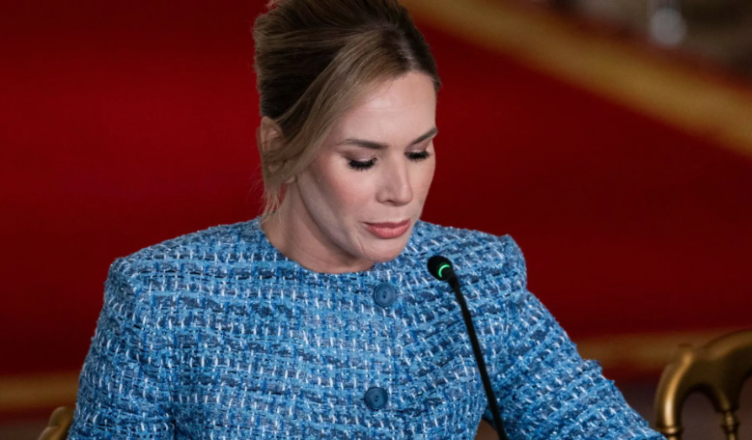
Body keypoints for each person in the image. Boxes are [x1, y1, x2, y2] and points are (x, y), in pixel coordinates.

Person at [67, 0, 665, 438]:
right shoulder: (162, 299)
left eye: (419, 151)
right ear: (280, 145)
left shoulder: (472, 280)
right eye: (362, 159)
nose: (402, 191)